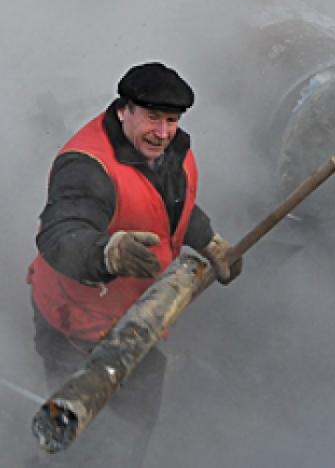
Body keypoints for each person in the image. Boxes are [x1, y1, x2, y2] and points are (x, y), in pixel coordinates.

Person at [27, 62, 241, 464]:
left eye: (172, 120)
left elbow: (170, 204)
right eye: (153, 118)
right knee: (75, 432)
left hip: (139, 316)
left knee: (136, 421)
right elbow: (60, 234)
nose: (162, 132)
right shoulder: (87, 167)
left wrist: (208, 239)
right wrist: (107, 253)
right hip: (77, 323)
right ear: (123, 109)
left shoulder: (170, 150)